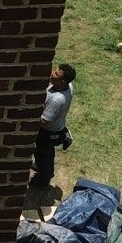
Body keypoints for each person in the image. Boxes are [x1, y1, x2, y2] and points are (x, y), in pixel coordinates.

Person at [31, 62, 75, 192]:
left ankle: (43, 180)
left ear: (62, 82)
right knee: (48, 153)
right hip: (58, 128)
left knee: (42, 154)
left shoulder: (56, 100)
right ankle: (48, 171)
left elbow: (44, 121)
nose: (52, 73)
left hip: (48, 132)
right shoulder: (69, 86)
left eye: (55, 74)